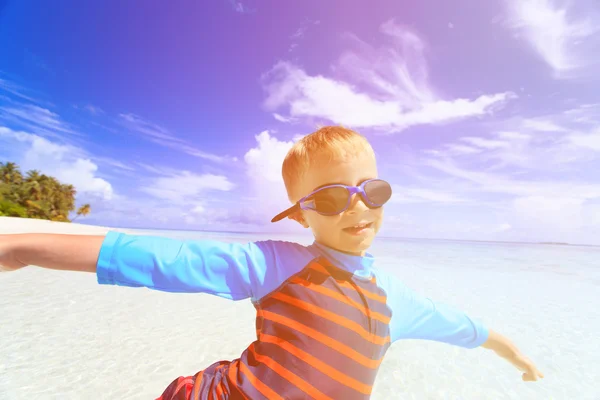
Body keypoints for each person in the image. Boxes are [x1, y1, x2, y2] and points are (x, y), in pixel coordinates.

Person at [0, 126, 543, 399]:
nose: (356, 206)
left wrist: (516, 352)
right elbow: (155, 258)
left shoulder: (396, 300)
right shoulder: (279, 265)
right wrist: (21, 247)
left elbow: (464, 327)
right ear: (302, 214)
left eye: (371, 190)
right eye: (331, 197)